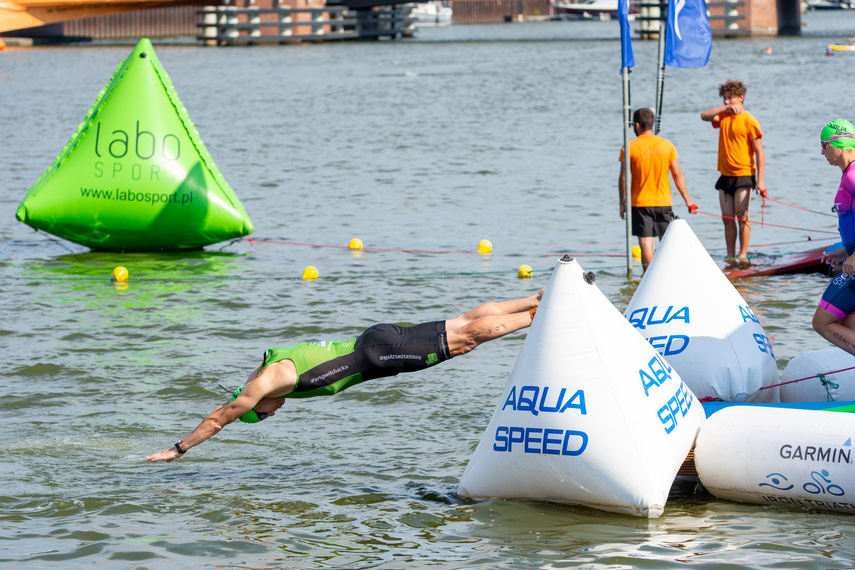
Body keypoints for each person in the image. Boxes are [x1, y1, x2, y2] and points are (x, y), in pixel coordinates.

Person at [147, 289, 544, 462]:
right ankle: (537, 298)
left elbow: (221, 416)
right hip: (374, 336)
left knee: (465, 339)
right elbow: (235, 394)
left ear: (257, 404)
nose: (273, 414)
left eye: (264, 414)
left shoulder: (270, 383)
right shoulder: (266, 364)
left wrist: (179, 449)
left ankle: (537, 314)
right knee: (461, 320)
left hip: (378, 354)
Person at [618, 107, 698, 270]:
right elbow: (677, 175)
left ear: (637, 125)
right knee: (667, 242)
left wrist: (622, 203)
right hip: (663, 201)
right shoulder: (666, 145)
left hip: (640, 203)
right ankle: (670, 274)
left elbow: (623, 178)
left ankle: (649, 277)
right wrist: (688, 201)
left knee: (646, 243)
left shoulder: (629, 147)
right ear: (652, 124)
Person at [701, 79, 767, 261]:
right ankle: (730, 256)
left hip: (744, 175)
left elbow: (760, 153)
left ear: (741, 98)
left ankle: (743, 255)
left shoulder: (749, 121)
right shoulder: (723, 116)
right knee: (727, 218)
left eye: (730, 98)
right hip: (725, 176)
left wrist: (760, 181)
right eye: (724, 98)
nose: (726, 102)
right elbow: (704, 116)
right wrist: (725, 109)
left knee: (742, 215)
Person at [813, 119, 855, 356]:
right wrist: (845, 252)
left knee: (822, 322)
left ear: (837, 144)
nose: (822, 151)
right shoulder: (849, 173)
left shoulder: (852, 176)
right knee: (848, 325)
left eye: (824, 145)